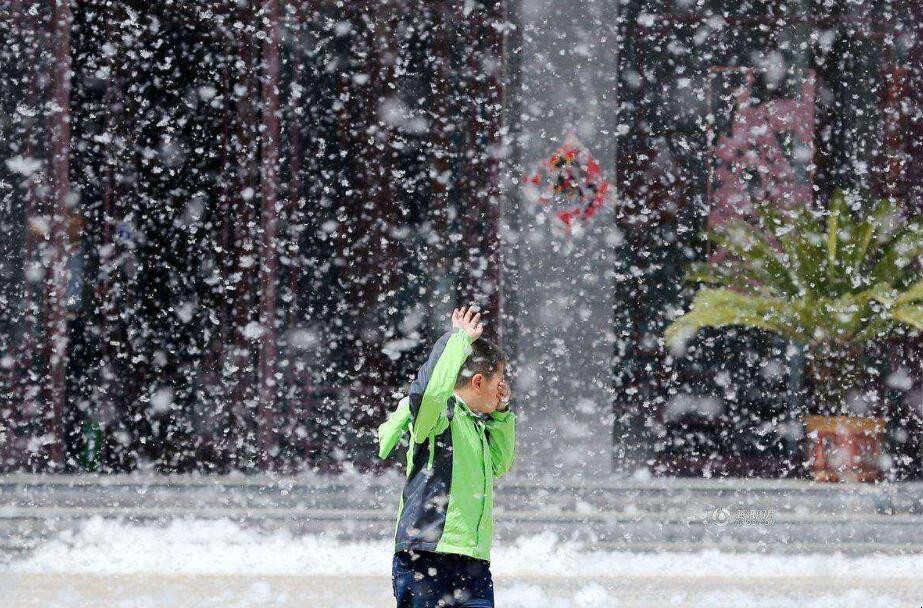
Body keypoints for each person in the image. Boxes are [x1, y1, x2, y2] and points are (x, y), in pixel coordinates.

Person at [378, 305, 515, 608]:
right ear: (478, 382)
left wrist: (503, 415)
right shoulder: (441, 416)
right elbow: (427, 393)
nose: (503, 389)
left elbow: (500, 463)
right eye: (499, 380)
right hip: (426, 554)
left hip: (471, 559)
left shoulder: (477, 425)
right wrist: (457, 341)